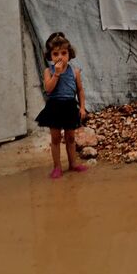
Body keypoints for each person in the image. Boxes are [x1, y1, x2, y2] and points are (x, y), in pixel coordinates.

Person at [35, 32, 88, 179]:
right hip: (55, 107)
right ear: (50, 56)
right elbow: (48, 89)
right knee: (56, 138)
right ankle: (57, 166)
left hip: (70, 106)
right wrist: (56, 74)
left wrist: (82, 107)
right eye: (55, 54)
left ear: (69, 54)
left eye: (63, 53)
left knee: (71, 137)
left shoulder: (74, 71)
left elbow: (80, 90)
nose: (60, 57)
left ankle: (73, 164)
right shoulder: (48, 71)